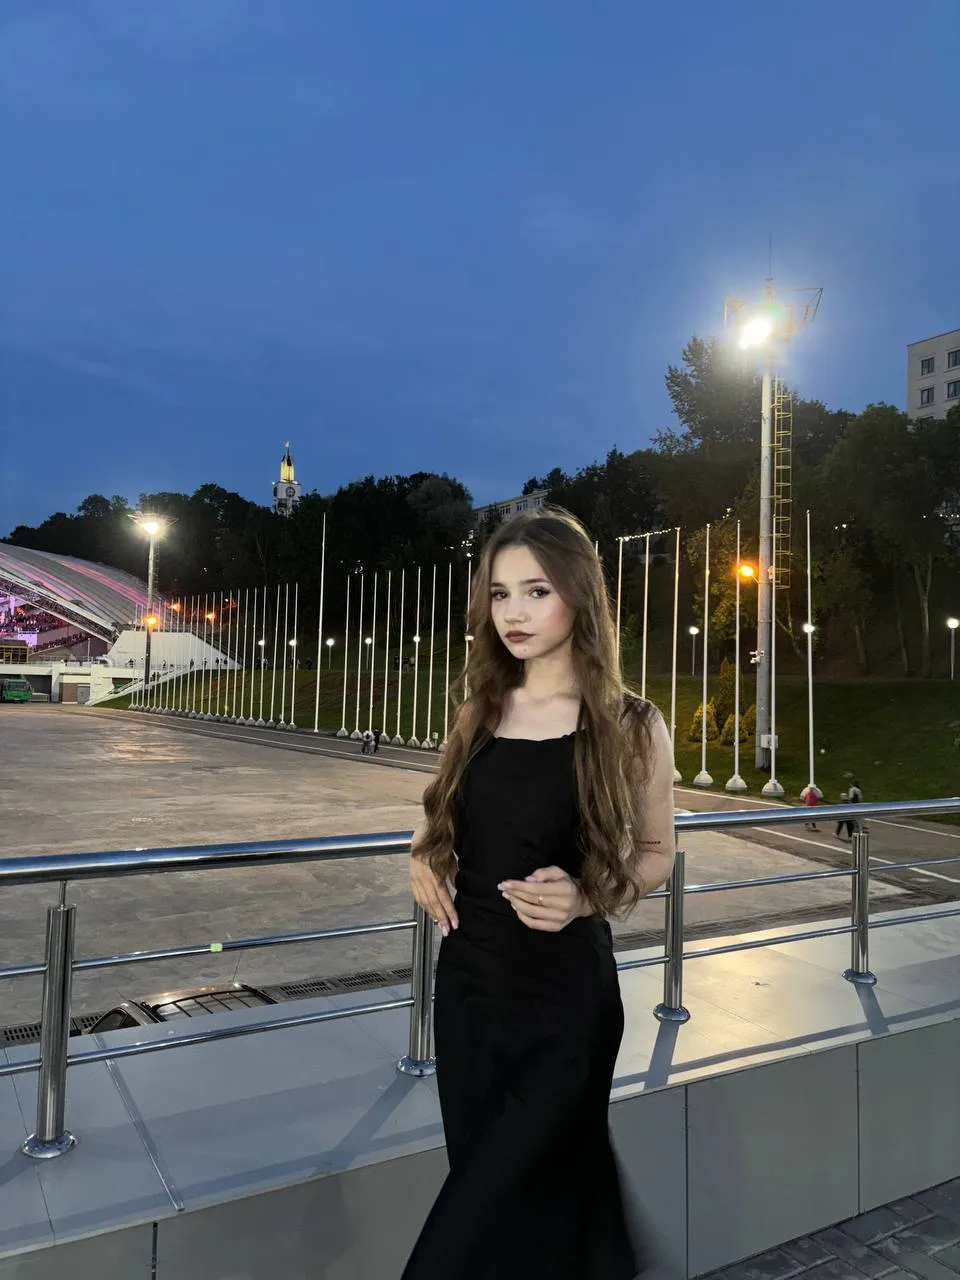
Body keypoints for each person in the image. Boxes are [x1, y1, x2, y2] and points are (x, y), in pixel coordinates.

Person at [404, 507, 676, 1280]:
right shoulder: (479, 709)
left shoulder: (630, 724)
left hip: (565, 1006)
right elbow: (441, 820)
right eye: (500, 594)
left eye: (536, 591)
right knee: (522, 1213)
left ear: (579, 596)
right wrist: (420, 855)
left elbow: (657, 854)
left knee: (468, 1227)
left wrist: (587, 896)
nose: (513, 613)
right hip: (468, 995)